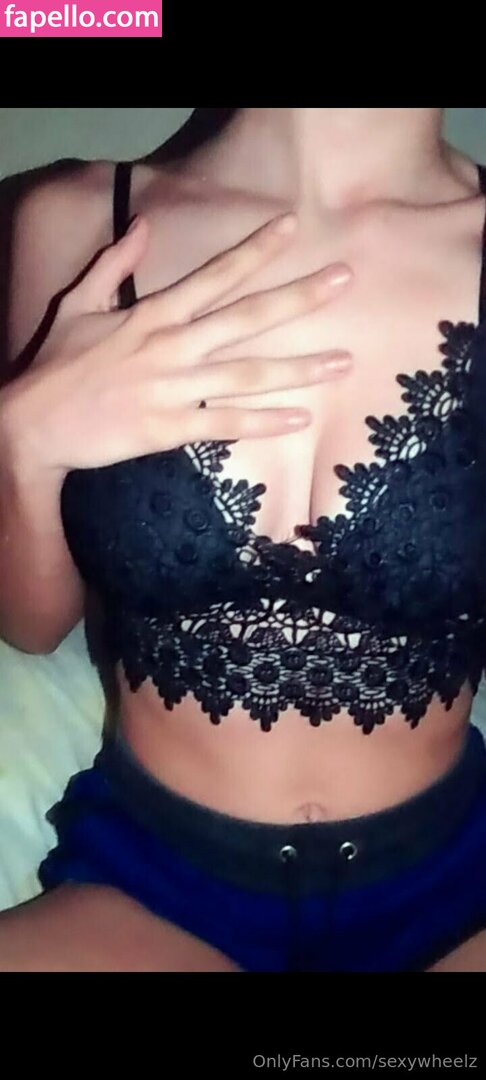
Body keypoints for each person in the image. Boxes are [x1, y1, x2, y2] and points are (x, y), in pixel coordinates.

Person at [0, 107, 486, 972]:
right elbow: (31, 625)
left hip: (459, 878)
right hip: (156, 886)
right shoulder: (77, 224)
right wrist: (20, 441)